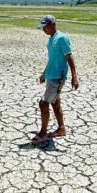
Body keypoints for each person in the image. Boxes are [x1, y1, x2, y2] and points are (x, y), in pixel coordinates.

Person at [33, 15, 79, 143]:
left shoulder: (62, 38)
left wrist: (74, 77)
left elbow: (69, 57)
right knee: (55, 103)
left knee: (43, 104)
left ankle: (43, 133)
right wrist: (44, 73)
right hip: (51, 76)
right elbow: (52, 59)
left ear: (52, 24)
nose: (43, 30)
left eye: (45, 27)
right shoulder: (51, 39)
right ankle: (61, 129)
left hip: (58, 77)